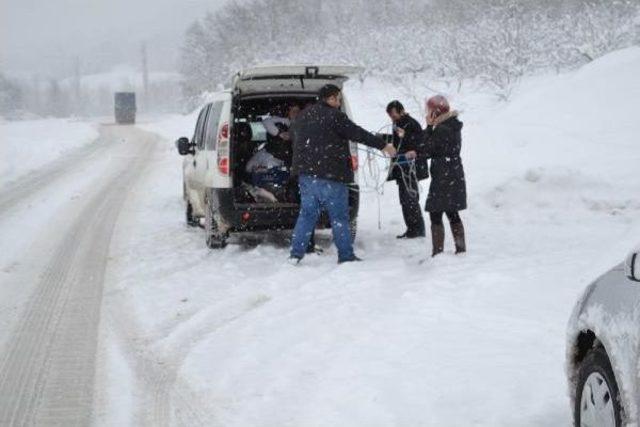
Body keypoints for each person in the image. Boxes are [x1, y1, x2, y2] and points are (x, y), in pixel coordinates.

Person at [289, 84, 397, 264]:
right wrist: (384, 146)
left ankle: (295, 254)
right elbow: (358, 133)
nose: (339, 102)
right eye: (338, 98)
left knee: (307, 215)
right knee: (339, 217)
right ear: (331, 98)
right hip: (331, 175)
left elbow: (294, 135)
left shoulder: (303, 116)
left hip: (306, 176)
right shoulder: (336, 117)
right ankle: (346, 256)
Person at [402, 95, 467, 256]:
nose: (427, 113)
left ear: (435, 112)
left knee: (435, 212)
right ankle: (460, 249)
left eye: (429, 110)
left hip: (444, 175)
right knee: (452, 212)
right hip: (452, 173)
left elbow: (426, 147)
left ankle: (438, 253)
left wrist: (428, 127)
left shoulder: (442, 128)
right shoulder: (450, 125)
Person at [386, 100, 428, 239]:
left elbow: (421, 143)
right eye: (390, 116)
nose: (392, 118)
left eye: (393, 115)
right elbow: (397, 142)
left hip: (411, 169)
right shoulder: (397, 124)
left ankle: (418, 230)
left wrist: (406, 136)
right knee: (404, 200)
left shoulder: (412, 124)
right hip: (400, 168)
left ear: (401, 111)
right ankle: (411, 229)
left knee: (411, 199)